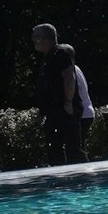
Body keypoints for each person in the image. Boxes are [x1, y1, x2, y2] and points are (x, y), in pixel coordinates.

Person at [31, 23, 81, 165]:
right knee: (55, 149)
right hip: (54, 110)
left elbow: (69, 77)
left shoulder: (60, 53)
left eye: (36, 37)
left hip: (63, 108)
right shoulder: (48, 57)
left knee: (73, 149)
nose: (34, 40)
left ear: (44, 38)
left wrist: (68, 102)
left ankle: (82, 176)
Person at [63, 45, 96, 160]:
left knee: (76, 147)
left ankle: (82, 166)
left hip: (81, 113)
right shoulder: (76, 68)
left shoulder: (69, 69)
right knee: (80, 145)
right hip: (88, 110)